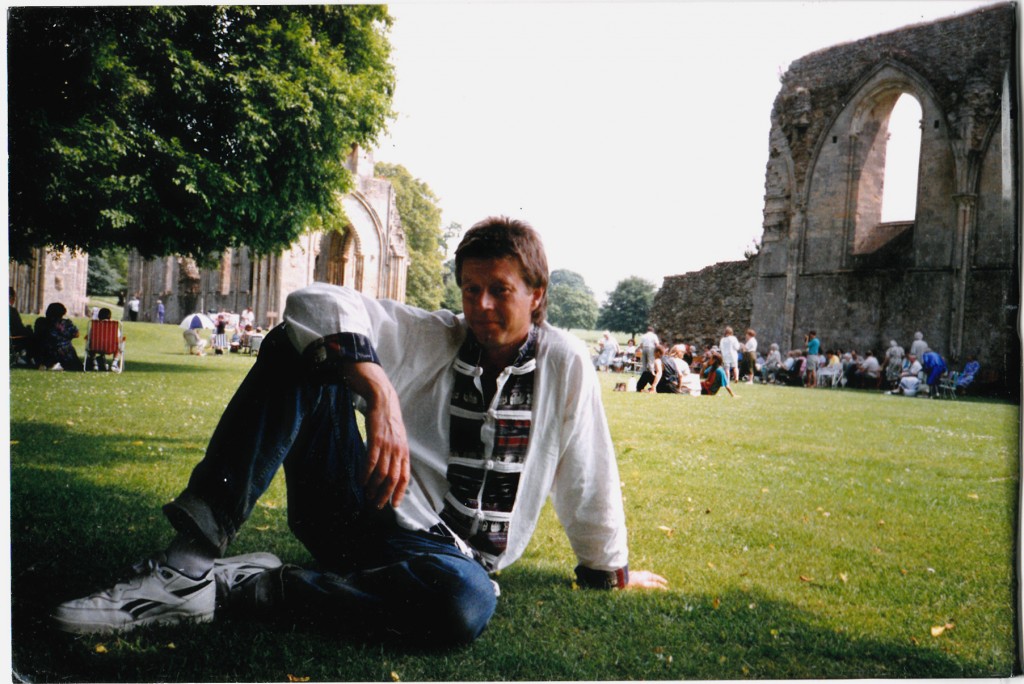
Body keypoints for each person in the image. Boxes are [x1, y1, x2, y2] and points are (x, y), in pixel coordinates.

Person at [53, 216, 667, 643]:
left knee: (464, 602)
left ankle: (249, 590)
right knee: (300, 349)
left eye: (499, 291)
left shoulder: (565, 362)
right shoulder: (437, 336)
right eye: (471, 289)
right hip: (354, 509)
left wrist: (605, 571)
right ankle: (185, 567)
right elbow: (312, 301)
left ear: (537, 294)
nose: (480, 307)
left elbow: (590, 471)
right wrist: (376, 390)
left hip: (450, 561)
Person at [34, 302, 84, 371]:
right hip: (64, 353)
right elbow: (77, 334)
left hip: (45, 352)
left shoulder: (40, 322)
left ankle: (49, 364)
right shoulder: (66, 323)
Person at [9, 287, 36, 366]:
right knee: (31, 335)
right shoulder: (12, 311)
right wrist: (28, 330)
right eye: (14, 298)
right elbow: (19, 328)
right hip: (13, 339)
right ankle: (27, 358)